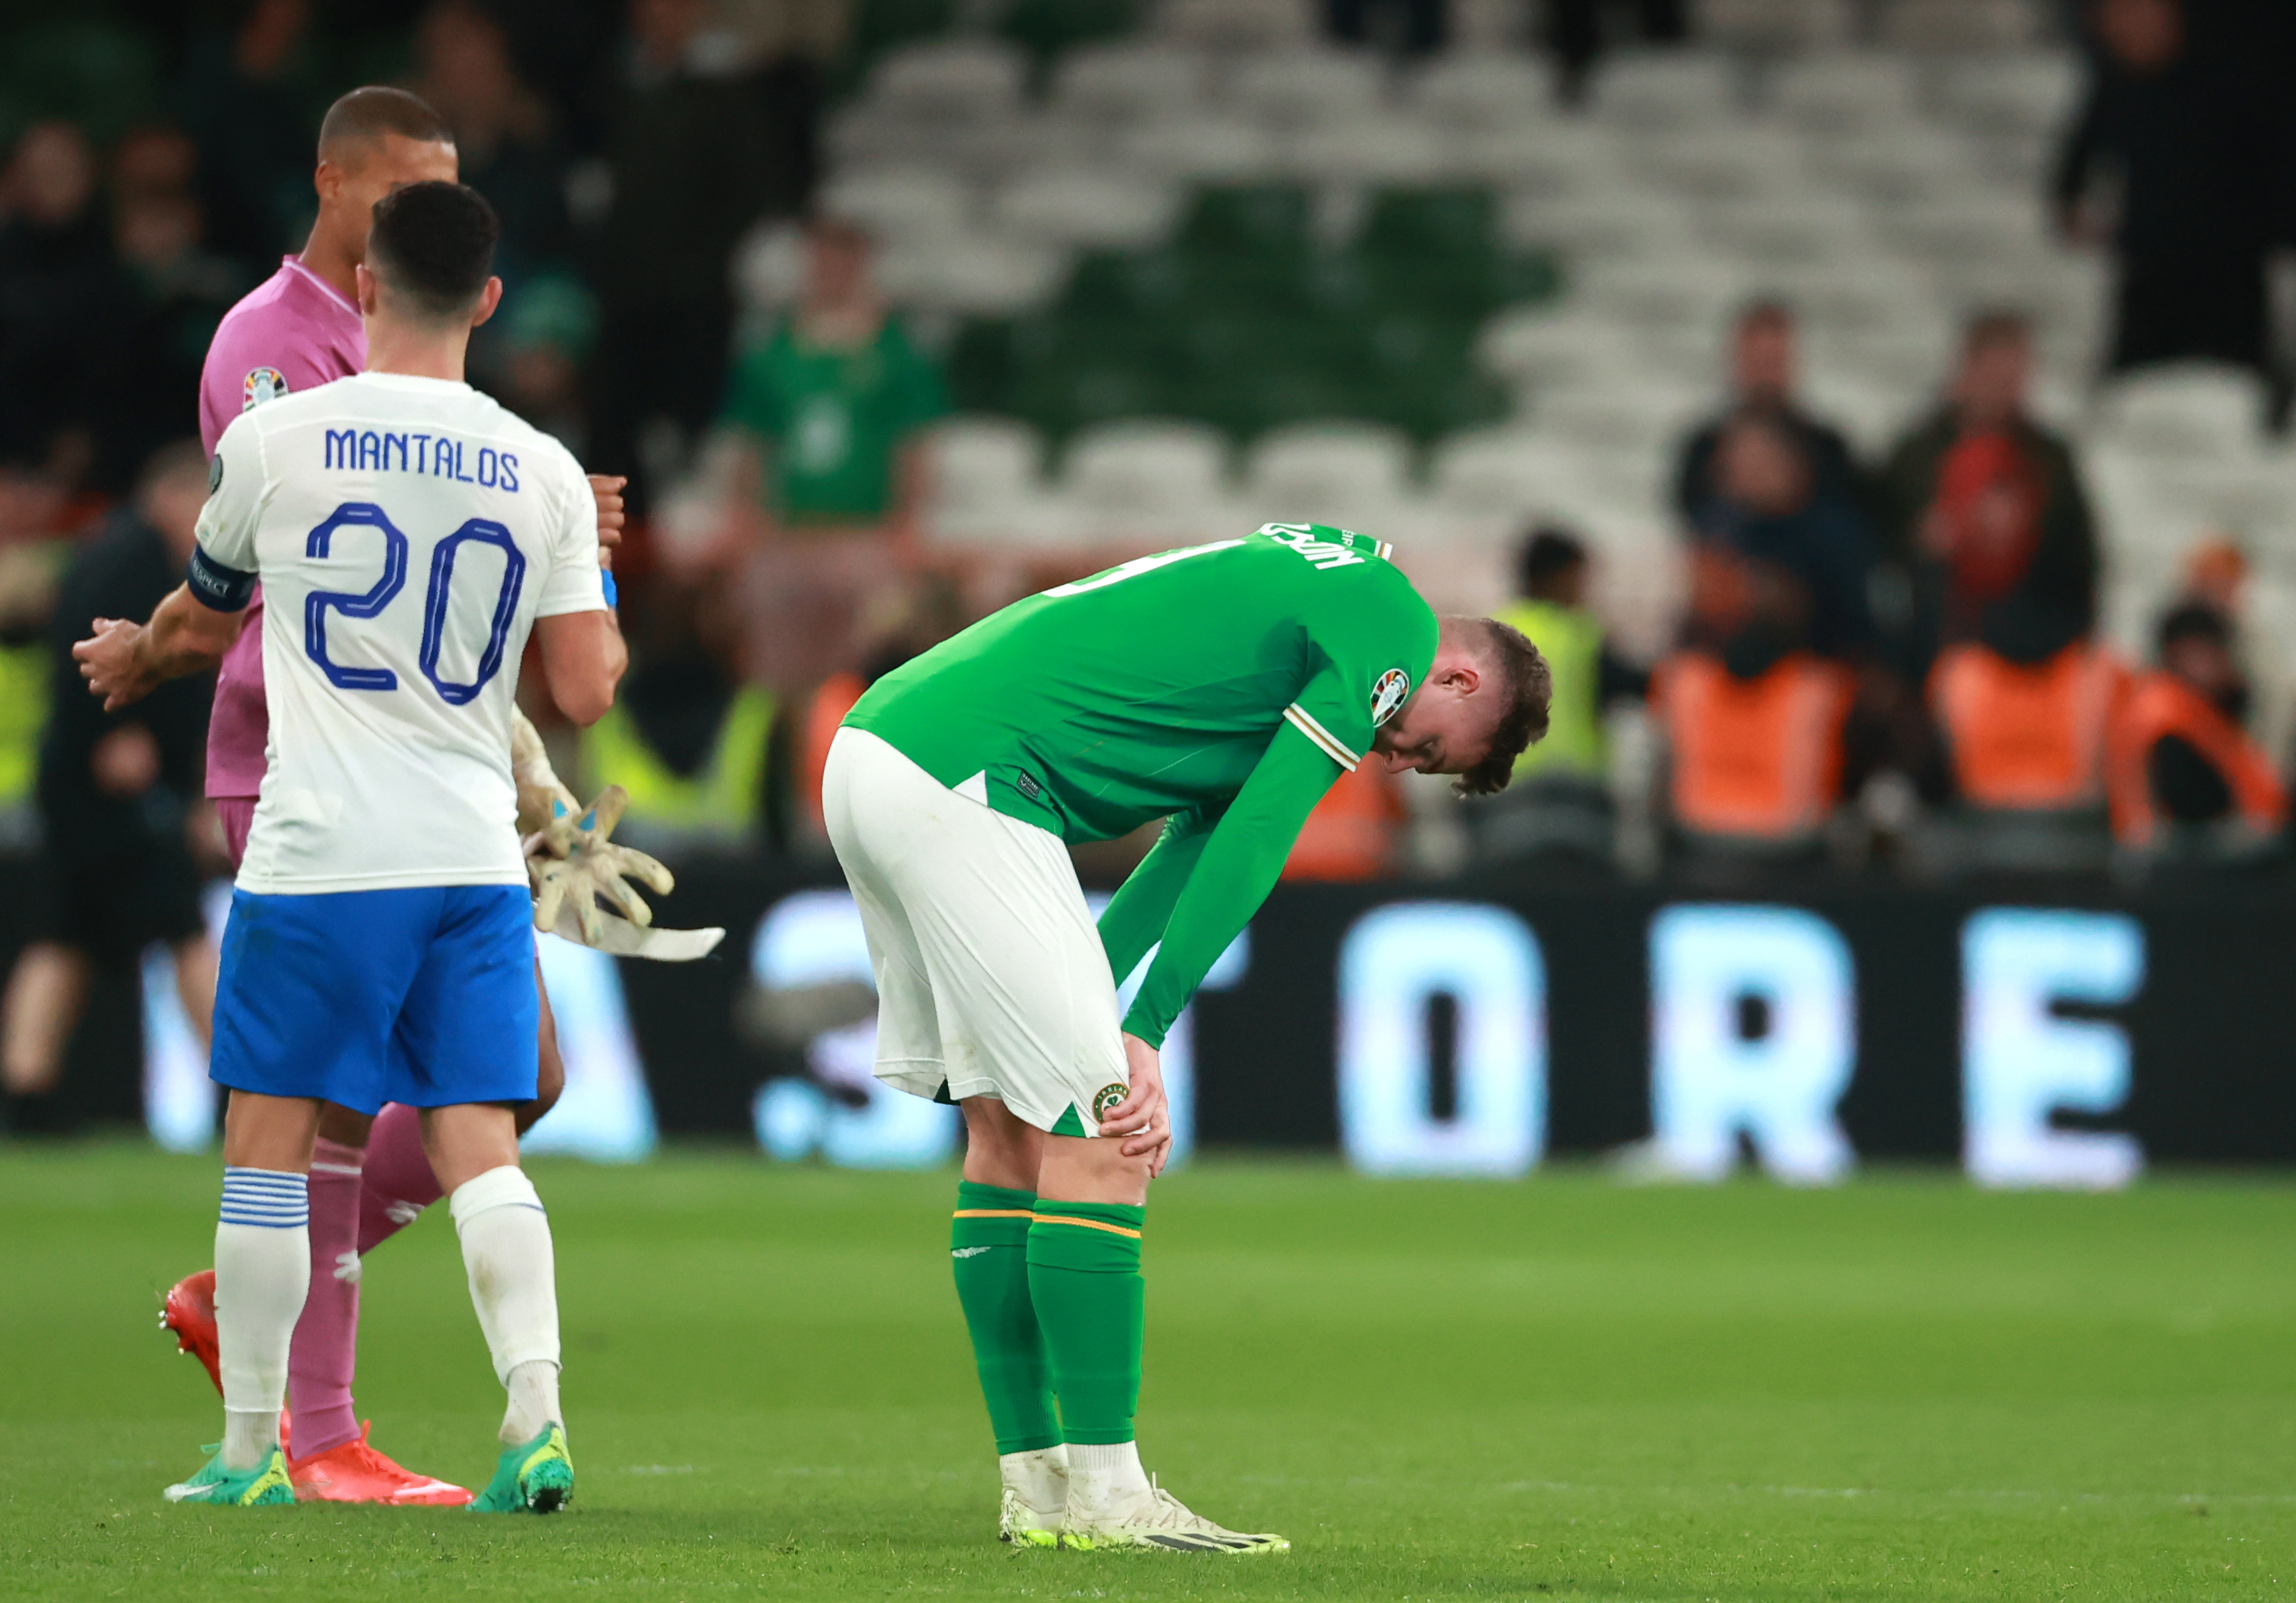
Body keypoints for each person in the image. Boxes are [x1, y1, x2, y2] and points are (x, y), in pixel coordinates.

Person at [826, 522, 1550, 1551]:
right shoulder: (1388, 619)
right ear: (1462, 676)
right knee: (1109, 1138)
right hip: (970, 777)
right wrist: (1141, 1034)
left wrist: (1109, 1009)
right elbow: (1262, 836)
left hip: (880, 744)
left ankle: (1036, 1488)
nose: (1393, 754)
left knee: (1008, 1132)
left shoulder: (1300, 616)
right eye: (1423, 743)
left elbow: (1191, 838)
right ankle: (1112, 1499)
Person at [144, 86, 666, 1509]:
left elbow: (206, 615)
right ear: (488, 297)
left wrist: (138, 651)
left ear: (375, 278)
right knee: (486, 1130)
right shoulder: (539, 464)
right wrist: (591, 565)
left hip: (320, 836)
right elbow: (583, 682)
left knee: (276, 1136)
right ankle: (530, 1421)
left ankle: (262, 1448)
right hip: (462, 846)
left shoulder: (285, 438)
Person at [1, 444, 219, 1101]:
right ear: (171, 498)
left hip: (93, 792)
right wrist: (115, 734)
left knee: (63, 938)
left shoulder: (134, 557)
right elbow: (83, 650)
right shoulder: (128, 560)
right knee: (183, 930)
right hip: (110, 792)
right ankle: (233, 1086)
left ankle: (26, 1089)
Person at [717, 216, 947, 695]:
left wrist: (906, 531)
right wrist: (746, 525)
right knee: (775, 679)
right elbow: (753, 445)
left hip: (864, 538)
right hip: (789, 536)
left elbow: (912, 447)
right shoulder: (774, 351)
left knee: (861, 674)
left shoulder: (892, 352)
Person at [2053, 0, 2281, 381]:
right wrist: (2070, 203)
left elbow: (2271, 161)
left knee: (2239, 381)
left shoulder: (2230, 80)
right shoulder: (2115, 85)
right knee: (2134, 382)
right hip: (2150, 265)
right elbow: (2079, 156)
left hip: (2227, 267)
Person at [1876, 314, 2098, 679]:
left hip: (2027, 645)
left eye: (2012, 379)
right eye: (1994, 378)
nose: (2003, 391)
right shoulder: (1916, 455)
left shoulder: (2050, 461)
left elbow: (2078, 561)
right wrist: (1920, 543)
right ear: (1966, 371)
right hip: (1934, 639)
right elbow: (1880, 539)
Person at [2106, 602, 2286, 853]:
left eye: (2210, 654)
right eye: (2194, 655)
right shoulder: (2161, 716)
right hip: (2169, 855)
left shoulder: (2213, 709)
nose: (2204, 667)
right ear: (2171, 655)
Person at [1673, 302, 1863, 533]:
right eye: (1755, 362)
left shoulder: (1828, 450)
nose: (1763, 376)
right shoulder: (1704, 448)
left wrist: (1790, 493)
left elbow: (1850, 543)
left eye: (1772, 361)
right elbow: (1696, 534)